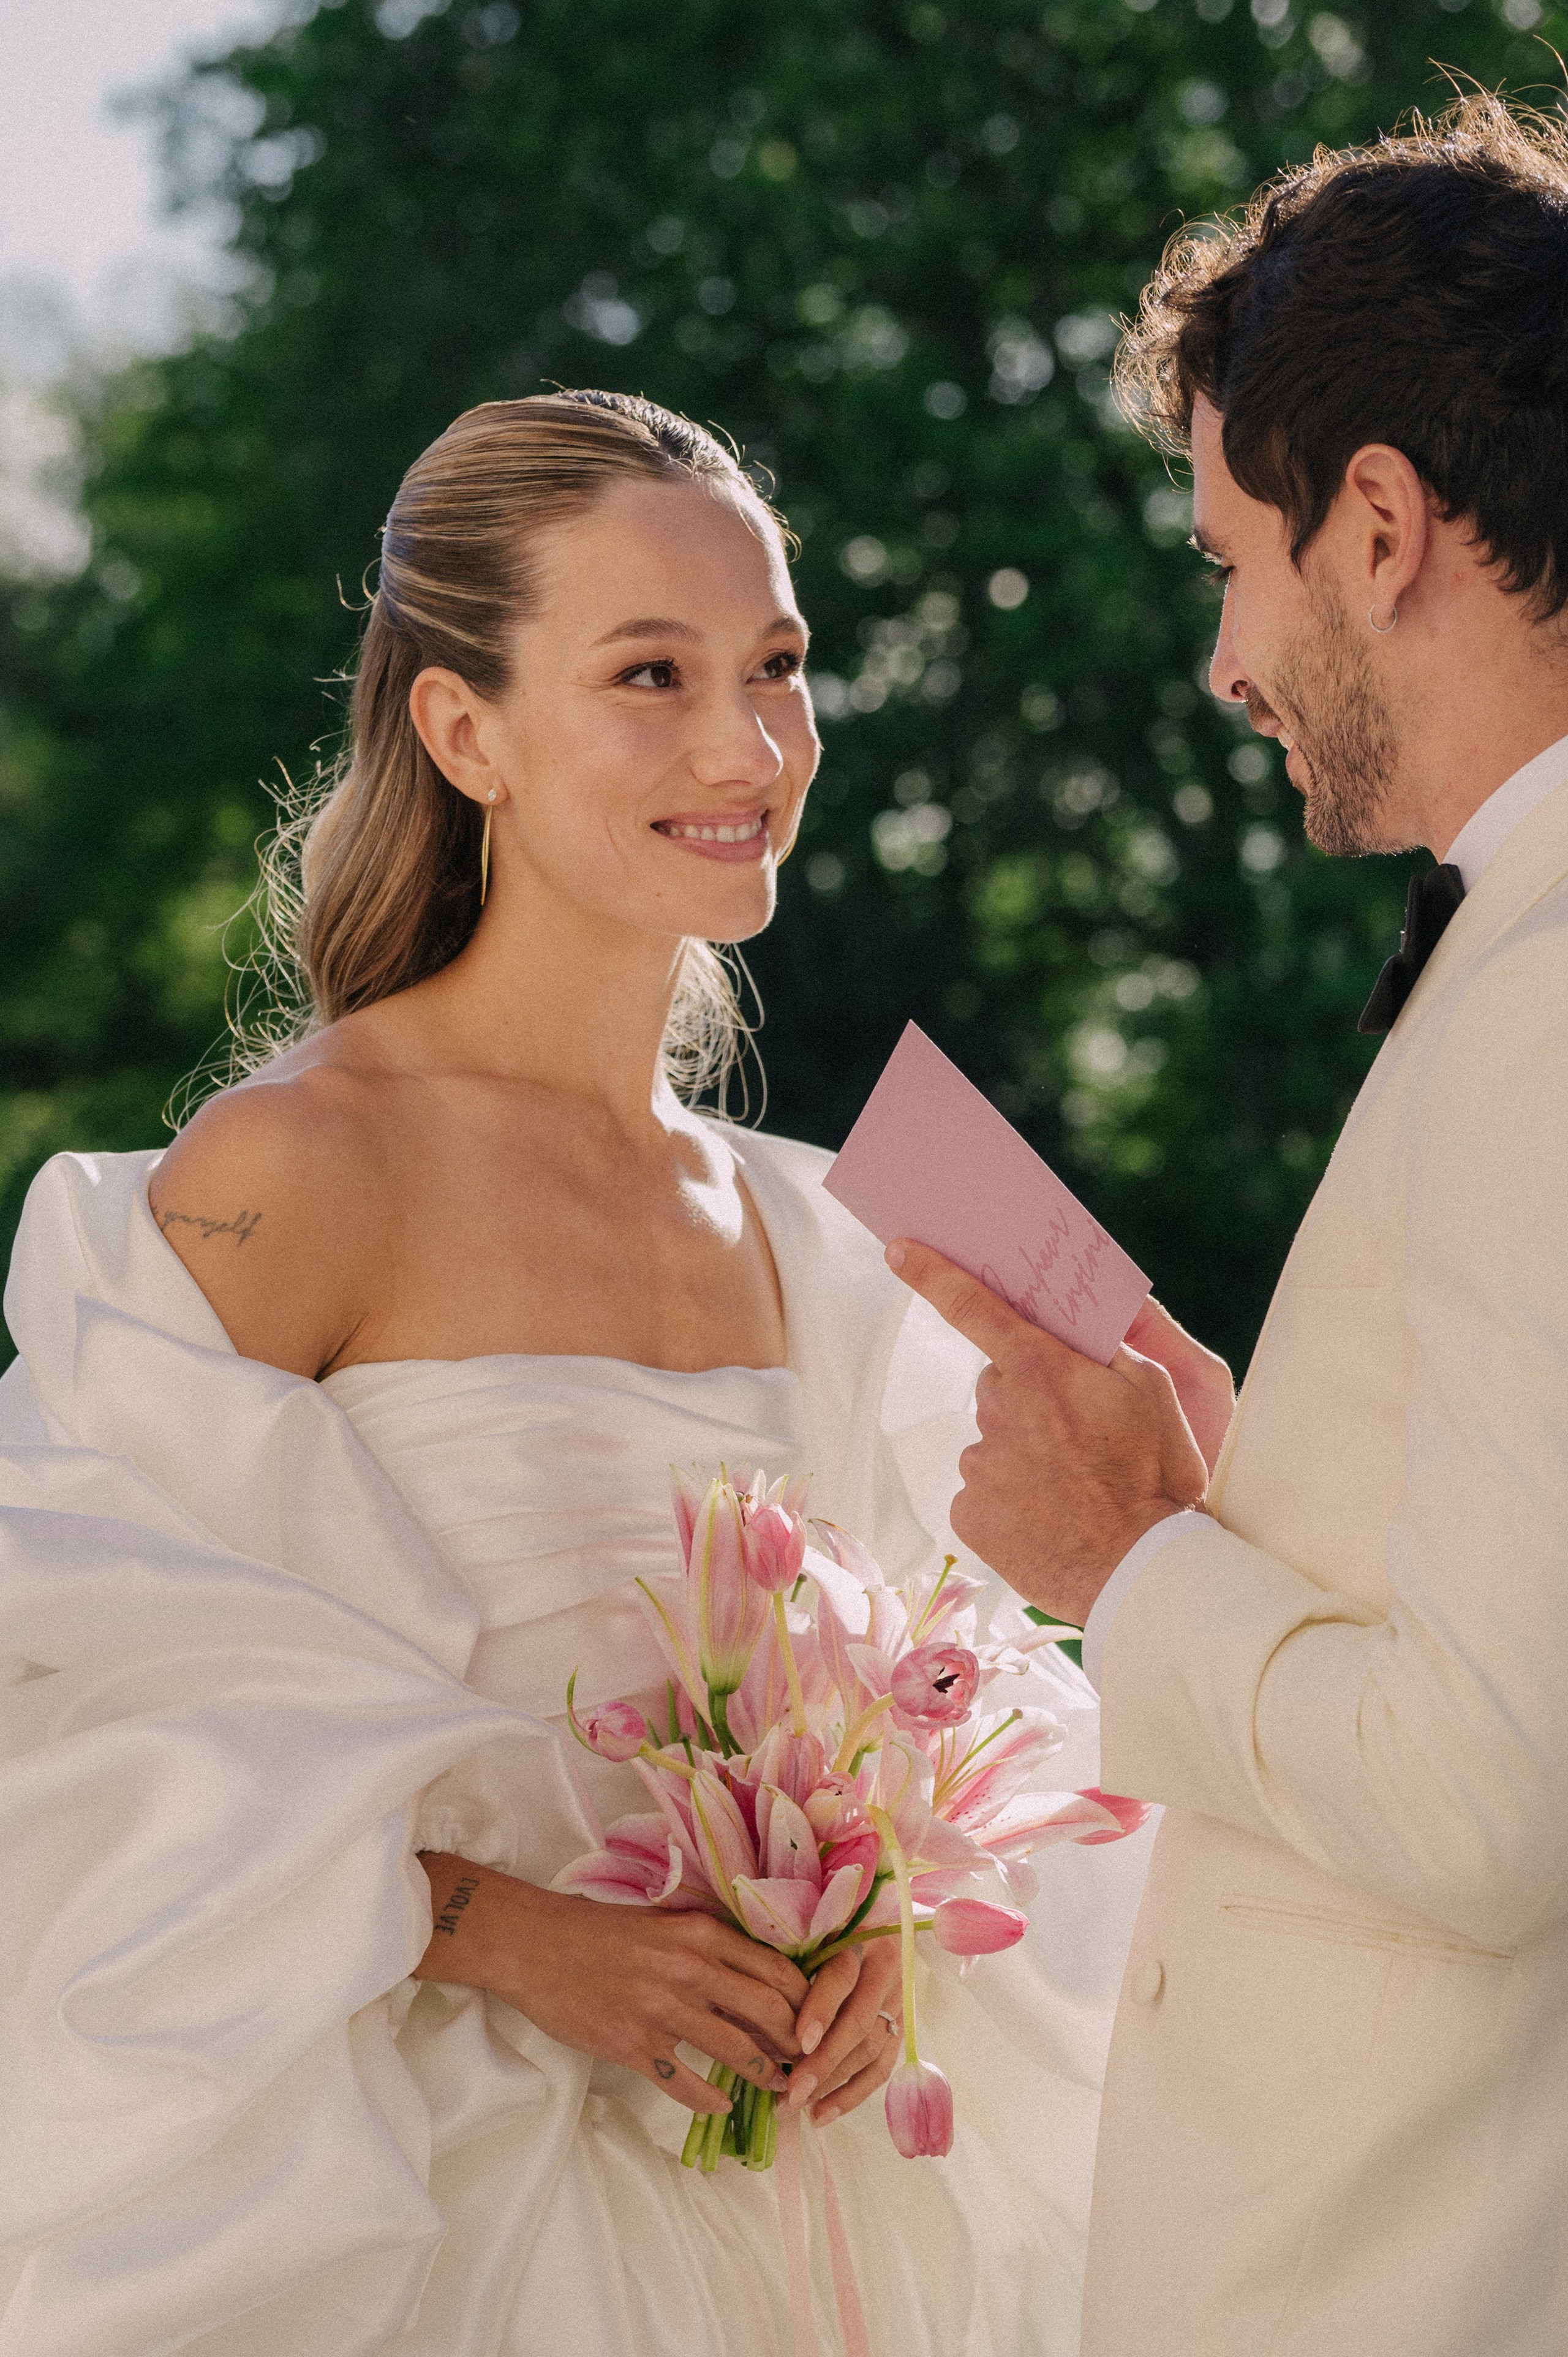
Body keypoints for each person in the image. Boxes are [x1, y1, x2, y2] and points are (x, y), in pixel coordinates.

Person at [0, 390, 1152, 2357]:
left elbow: (984, 1676)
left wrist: (890, 1934)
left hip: (829, 2219)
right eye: (652, 674)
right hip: (455, 2204)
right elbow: (53, 1696)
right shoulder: (297, 1170)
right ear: (465, 732)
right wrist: (513, 1937)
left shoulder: (825, 1225)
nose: (748, 747)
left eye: (777, 668)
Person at [888, 93, 1568, 2356]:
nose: (1222, 658)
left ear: (1379, 523)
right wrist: (1237, 1466)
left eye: (1225, 563)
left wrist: (1126, 1563)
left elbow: (1492, 1800)